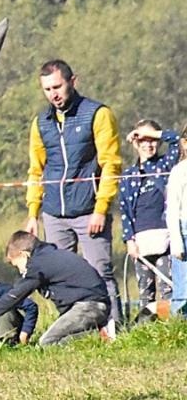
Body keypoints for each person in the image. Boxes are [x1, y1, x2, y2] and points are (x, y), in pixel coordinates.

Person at [22, 60, 122, 335]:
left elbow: (111, 164)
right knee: (60, 279)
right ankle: (74, 333)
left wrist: (101, 208)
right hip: (54, 212)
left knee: (100, 272)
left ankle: (114, 332)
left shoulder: (98, 114)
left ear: (72, 81)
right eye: (47, 89)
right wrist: (33, 213)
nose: (53, 94)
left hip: (89, 210)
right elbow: (36, 170)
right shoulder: (40, 123)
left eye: (57, 86)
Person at [0, 231, 110, 346]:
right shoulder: (49, 256)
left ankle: (98, 334)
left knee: (47, 342)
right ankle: (98, 329)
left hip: (89, 306)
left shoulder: (38, 265)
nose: (20, 271)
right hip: (94, 304)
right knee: (55, 336)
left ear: (23, 254)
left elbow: (16, 295)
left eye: (16, 265)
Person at [117, 119, 180, 319]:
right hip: (141, 240)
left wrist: (156, 134)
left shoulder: (166, 164)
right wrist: (129, 241)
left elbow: (178, 140)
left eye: (152, 139)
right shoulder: (128, 175)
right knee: (146, 291)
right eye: (142, 140)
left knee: (168, 287)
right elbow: (125, 210)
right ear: (135, 144)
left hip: (166, 237)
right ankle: (147, 330)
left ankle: (171, 327)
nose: (148, 144)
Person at [167, 126, 187, 316]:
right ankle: (180, 329)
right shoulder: (179, 171)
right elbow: (172, 208)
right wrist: (177, 241)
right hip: (184, 232)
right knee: (184, 292)